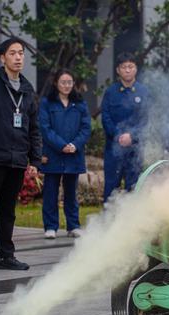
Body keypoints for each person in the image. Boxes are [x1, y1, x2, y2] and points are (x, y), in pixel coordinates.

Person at [0, 37, 42, 270]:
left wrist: (34, 160)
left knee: (7, 211)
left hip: (16, 160)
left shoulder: (26, 88)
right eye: (13, 53)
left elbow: (33, 128)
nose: (18, 57)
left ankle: (5, 256)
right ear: (2, 58)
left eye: (21, 53)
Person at [39, 69, 91, 239]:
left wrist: (75, 145)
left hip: (74, 155)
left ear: (73, 84)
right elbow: (45, 129)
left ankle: (73, 225)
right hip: (53, 154)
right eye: (63, 82)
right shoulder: (47, 103)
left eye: (69, 82)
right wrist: (62, 146)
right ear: (56, 83)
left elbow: (85, 128)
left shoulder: (80, 104)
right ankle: (50, 226)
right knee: (50, 192)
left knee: (71, 192)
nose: (66, 85)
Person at [101, 52, 148, 202]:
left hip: (135, 149)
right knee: (111, 189)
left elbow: (147, 120)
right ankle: (108, 223)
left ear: (136, 69)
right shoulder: (110, 92)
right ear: (118, 70)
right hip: (113, 149)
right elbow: (106, 117)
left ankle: (132, 224)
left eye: (130, 66)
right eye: (124, 67)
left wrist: (132, 137)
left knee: (133, 190)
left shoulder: (144, 92)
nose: (127, 70)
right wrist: (118, 136)